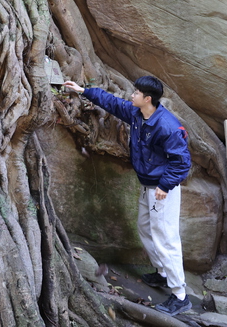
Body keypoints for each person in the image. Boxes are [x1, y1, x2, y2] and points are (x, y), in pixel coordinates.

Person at [63, 76, 192, 317]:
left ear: (148, 99)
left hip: (162, 190)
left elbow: (182, 162)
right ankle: (163, 274)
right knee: (144, 228)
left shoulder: (167, 126)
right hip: (147, 185)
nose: (131, 95)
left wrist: (164, 185)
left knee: (166, 239)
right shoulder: (136, 113)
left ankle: (180, 296)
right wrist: (83, 90)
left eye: (136, 93)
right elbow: (111, 102)